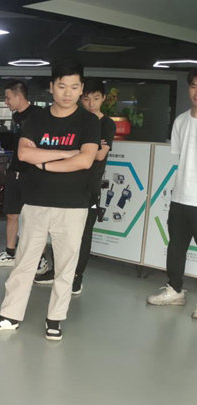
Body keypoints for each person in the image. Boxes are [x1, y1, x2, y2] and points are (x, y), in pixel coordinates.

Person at [0, 58, 100, 341]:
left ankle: (55, 319)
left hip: (73, 205)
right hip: (35, 201)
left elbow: (85, 160)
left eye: (74, 87)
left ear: (81, 88)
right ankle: (10, 315)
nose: (68, 93)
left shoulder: (88, 122)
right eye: (62, 86)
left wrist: (44, 162)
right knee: (24, 261)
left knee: (65, 266)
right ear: (51, 87)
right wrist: (66, 154)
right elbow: (24, 154)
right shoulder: (36, 119)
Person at [147, 69, 197, 318]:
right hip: (180, 197)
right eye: (194, 86)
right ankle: (175, 290)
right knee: (176, 247)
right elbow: (180, 157)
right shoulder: (181, 121)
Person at [0, 80, 47, 273]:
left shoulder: (38, 115)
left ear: (18, 96)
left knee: (34, 219)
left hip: (33, 173)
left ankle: (40, 259)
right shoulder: (16, 117)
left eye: (7, 98)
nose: (6, 102)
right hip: (15, 171)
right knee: (12, 214)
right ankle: (10, 253)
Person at [73, 79, 115, 294]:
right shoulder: (77, 121)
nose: (91, 104)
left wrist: (77, 153)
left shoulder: (106, 124)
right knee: (63, 232)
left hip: (90, 186)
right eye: (86, 99)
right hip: (69, 182)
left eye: (96, 99)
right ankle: (58, 271)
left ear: (103, 99)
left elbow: (98, 155)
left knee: (84, 233)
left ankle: (77, 276)